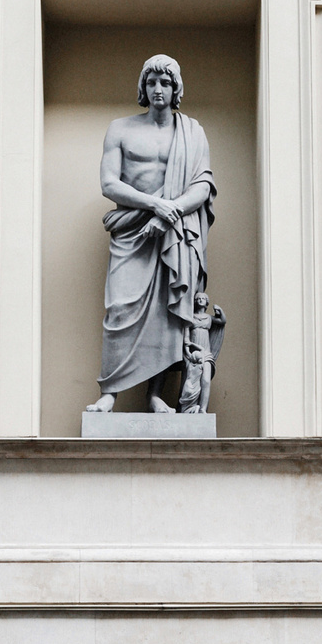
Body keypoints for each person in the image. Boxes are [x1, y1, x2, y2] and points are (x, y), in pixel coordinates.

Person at [85, 54, 223, 416]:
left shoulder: (192, 132)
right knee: (120, 309)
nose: (158, 89)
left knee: (167, 315)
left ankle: (155, 396)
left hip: (174, 234)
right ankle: (110, 393)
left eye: (165, 83)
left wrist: (170, 211)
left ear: (176, 89)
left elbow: (203, 185)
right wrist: (154, 206)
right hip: (134, 234)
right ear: (143, 88)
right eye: (151, 82)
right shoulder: (121, 129)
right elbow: (109, 183)